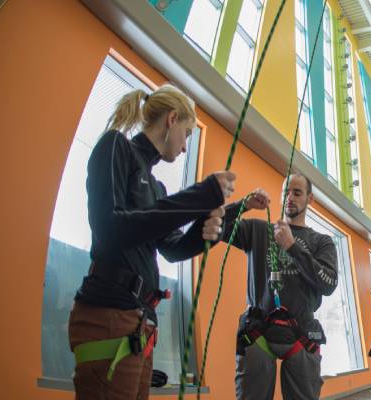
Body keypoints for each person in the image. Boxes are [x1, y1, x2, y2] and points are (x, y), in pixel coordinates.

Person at [68, 84, 236, 400]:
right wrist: (199, 196)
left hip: (138, 321)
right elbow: (111, 229)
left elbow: (173, 249)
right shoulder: (116, 147)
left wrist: (207, 229)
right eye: (187, 134)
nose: (186, 147)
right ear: (172, 119)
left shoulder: (156, 188)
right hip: (108, 313)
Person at [222, 174, 338, 400]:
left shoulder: (321, 241)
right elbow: (216, 224)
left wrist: (293, 247)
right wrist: (243, 205)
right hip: (258, 331)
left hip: (301, 334)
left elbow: (328, 284)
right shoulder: (257, 230)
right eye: (286, 192)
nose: (290, 197)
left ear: (309, 199)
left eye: (297, 192)